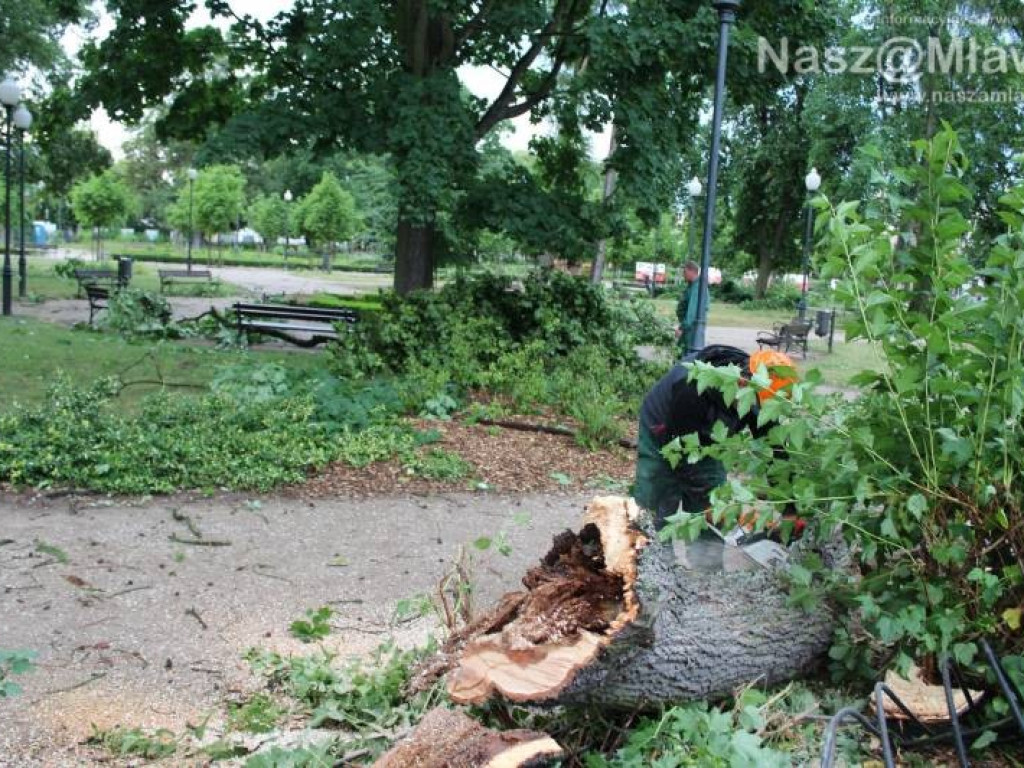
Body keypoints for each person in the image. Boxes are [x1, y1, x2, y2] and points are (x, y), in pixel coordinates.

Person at [633, 345, 797, 529]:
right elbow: (682, 452)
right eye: (758, 404)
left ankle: (706, 553)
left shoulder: (762, 392)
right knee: (657, 498)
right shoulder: (691, 387)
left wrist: (790, 509)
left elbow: (775, 449)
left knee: (714, 506)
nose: (761, 411)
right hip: (666, 427)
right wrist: (705, 503)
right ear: (742, 383)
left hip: (711, 437)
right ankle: (651, 548)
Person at [675, 261, 707, 355]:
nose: (683, 275)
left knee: (686, 355)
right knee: (682, 353)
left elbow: (692, 312)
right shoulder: (692, 286)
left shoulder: (697, 288)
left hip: (691, 329)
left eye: (684, 272)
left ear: (691, 271)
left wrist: (682, 328)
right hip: (689, 328)